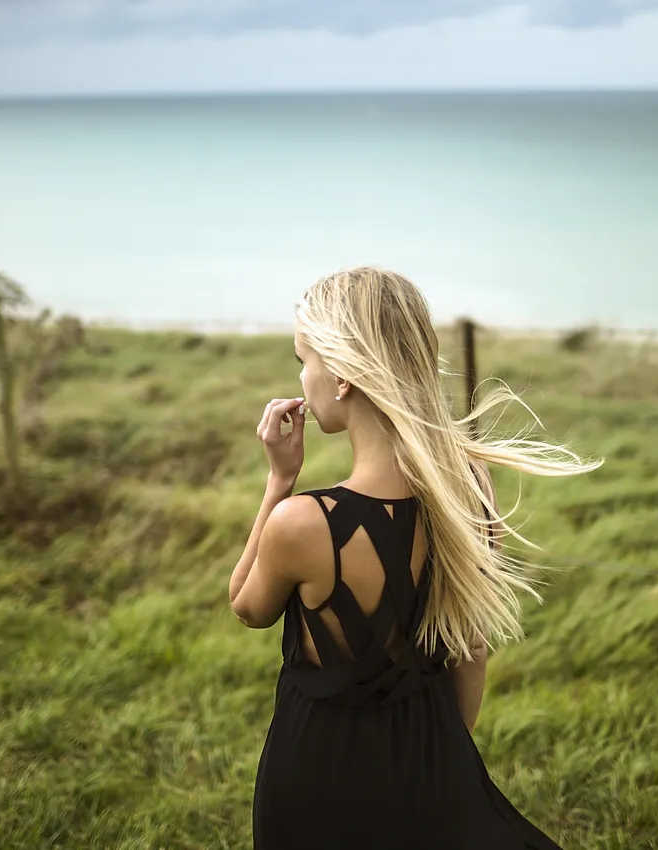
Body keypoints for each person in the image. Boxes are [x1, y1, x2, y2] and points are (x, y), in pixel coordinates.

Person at [227, 266, 600, 849]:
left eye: (303, 358)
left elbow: (247, 606)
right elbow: (471, 650)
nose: (301, 377)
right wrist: (446, 760)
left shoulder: (301, 522)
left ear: (343, 375)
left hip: (315, 778)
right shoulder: (469, 488)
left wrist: (280, 480)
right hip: (433, 761)